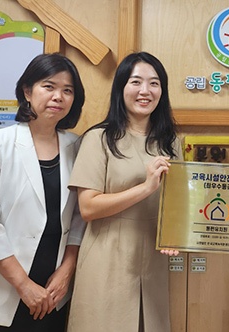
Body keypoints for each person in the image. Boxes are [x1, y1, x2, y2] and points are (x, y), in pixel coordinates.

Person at [0, 53, 87, 331]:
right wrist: (24, 285)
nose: (58, 96)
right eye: (49, 86)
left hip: (51, 294)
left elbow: (81, 217)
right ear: (27, 91)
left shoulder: (78, 147)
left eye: (67, 90)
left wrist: (67, 271)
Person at [67, 51, 181, 332]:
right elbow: (88, 208)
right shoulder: (99, 138)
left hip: (154, 262)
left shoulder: (172, 143)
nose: (145, 91)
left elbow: (176, 205)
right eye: (136, 82)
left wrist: (176, 232)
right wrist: (145, 187)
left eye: (154, 83)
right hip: (106, 258)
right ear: (121, 88)